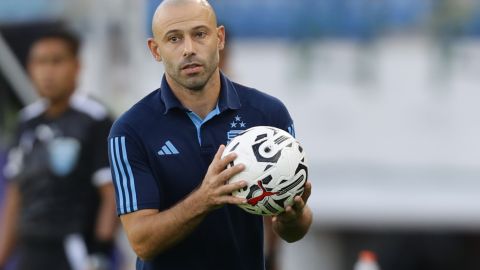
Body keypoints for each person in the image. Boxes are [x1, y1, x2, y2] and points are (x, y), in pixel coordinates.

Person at [108, 0, 313, 269]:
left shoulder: (267, 116)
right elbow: (142, 242)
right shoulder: (130, 130)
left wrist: (293, 218)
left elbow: (293, 231)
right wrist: (204, 199)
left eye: (200, 34)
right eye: (174, 39)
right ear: (155, 50)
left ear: (220, 38)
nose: (189, 49)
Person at [0, 29, 118, 270]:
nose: (48, 72)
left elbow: (112, 194)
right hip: (30, 251)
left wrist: (100, 253)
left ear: (76, 66)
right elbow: (15, 196)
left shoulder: (95, 120)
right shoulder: (26, 122)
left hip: (74, 251)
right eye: (40, 62)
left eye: (56, 61)